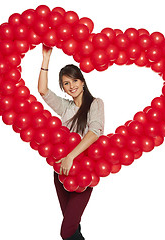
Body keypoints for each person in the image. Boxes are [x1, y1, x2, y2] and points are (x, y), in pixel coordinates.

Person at [38, 45, 105, 240]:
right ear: (63, 88)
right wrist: (46, 58)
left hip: (84, 171)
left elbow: (94, 132)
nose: (71, 86)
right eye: (66, 83)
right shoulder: (65, 107)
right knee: (73, 226)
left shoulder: (95, 104)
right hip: (62, 170)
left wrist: (70, 156)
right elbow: (42, 90)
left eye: (75, 80)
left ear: (83, 82)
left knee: (67, 230)